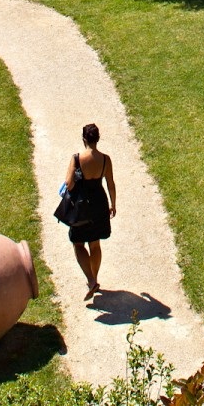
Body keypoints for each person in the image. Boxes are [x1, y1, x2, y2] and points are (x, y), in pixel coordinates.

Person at [67, 123, 116, 299]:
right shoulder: (105, 159)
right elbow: (110, 184)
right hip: (99, 204)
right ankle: (95, 277)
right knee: (95, 244)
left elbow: (69, 183)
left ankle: (91, 280)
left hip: (81, 206)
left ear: (84, 139)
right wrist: (113, 204)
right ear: (98, 139)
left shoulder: (77, 158)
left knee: (78, 243)